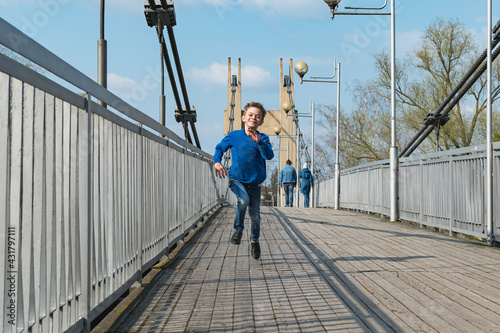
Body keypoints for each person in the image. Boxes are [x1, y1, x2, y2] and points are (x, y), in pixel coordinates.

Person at [213, 102, 274, 260]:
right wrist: (217, 161)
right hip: (236, 179)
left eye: (257, 117)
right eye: (251, 115)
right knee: (243, 200)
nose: (254, 118)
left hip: (254, 183)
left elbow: (269, 156)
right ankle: (238, 229)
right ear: (244, 118)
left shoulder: (263, 138)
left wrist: (259, 142)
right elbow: (220, 148)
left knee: (255, 216)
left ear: (261, 122)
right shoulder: (234, 136)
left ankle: (254, 240)